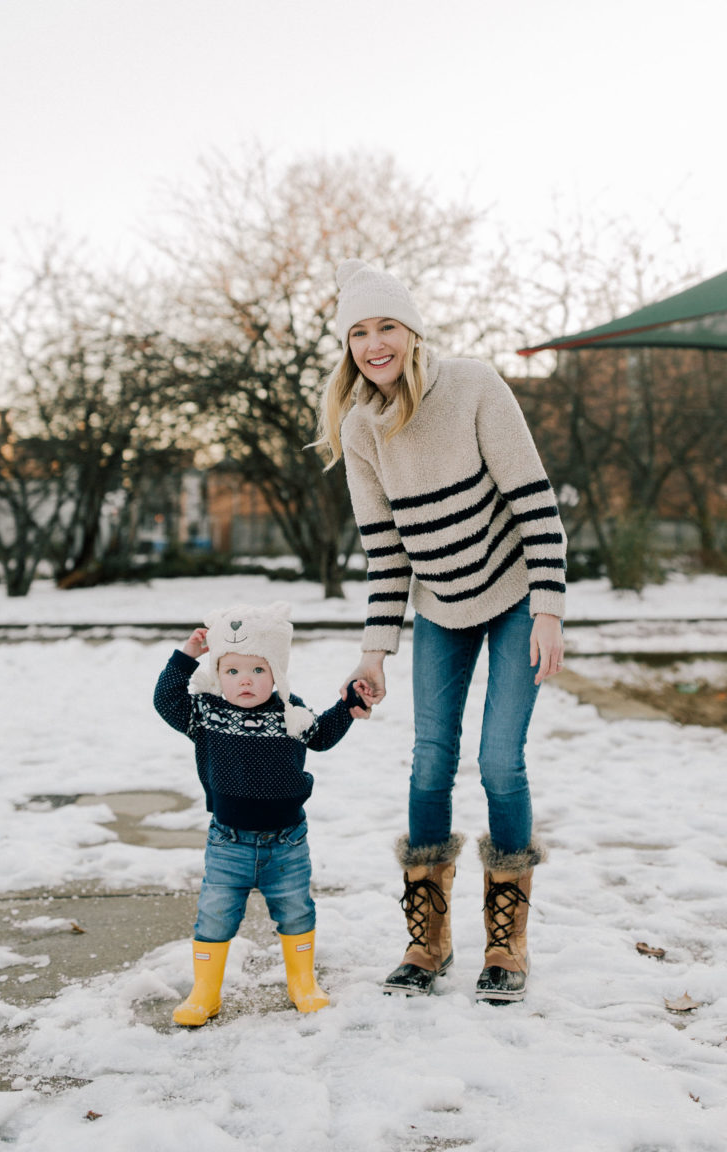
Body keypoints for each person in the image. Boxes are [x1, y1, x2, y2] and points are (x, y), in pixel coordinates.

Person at [316, 259, 567, 1003]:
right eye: (358, 332)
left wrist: (549, 607)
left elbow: (533, 502)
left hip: (516, 592)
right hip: (441, 609)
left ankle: (506, 942)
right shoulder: (360, 428)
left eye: (385, 326)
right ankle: (428, 941)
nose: (373, 343)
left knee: (498, 761)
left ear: (413, 330)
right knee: (429, 764)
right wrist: (374, 652)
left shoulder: (474, 385)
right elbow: (386, 552)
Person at [153, 599, 373, 1025]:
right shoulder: (205, 713)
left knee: (295, 911)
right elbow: (166, 700)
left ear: (277, 673)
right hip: (228, 842)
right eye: (232, 671)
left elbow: (323, 735)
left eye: (258, 670)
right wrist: (185, 657)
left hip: (286, 843)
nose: (245, 681)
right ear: (218, 674)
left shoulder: (290, 713)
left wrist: (347, 706)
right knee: (214, 916)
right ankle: (205, 993)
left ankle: (302, 984)